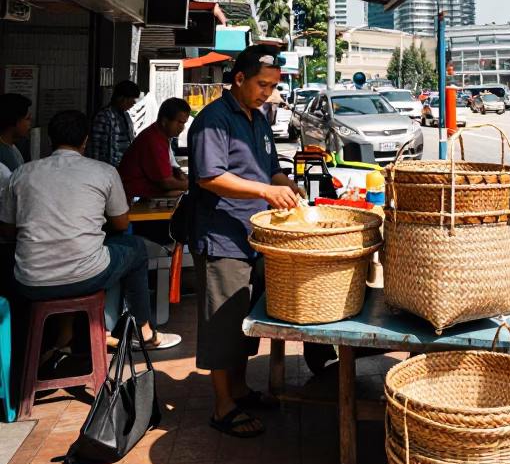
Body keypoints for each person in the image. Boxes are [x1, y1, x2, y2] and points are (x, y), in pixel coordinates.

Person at [0, 109, 180, 360]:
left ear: (50, 140)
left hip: (30, 282)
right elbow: (120, 223)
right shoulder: (104, 172)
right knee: (134, 248)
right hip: (86, 277)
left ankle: (66, 336)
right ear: (85, 140)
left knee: (78, 254)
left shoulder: (22, 174)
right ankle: (144, 332)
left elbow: (8, 230)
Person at [188, 46, 301, 438]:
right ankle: (222, 407)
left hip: (254, 237)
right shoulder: (213, 120)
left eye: (272, 86)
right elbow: (209, 177)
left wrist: (287, 186)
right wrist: (265, 192)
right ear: (239, 79)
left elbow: (269, 170)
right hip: (222, 236)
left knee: (243, 320)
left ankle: (239, 390)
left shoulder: (259, 118)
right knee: (221, 324)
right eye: (262, 85)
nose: (267, 92)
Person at [119, 98, 191, 200]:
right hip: (133, 197)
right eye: (179, 122)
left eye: (183, 123)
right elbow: (166, 182)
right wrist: (190, 185)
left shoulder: (160, 137)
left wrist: (181, 176)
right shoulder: (153, 140)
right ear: (164, 121)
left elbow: (171, 169)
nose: (182, 128)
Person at [88, 80, 141, 167]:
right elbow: (97, 148)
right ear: (122, 98)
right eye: (132, 99)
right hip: (108, 168)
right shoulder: (104, 116)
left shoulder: (126, 115)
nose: (134, 103)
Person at [0, 93, 31, 172]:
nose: (29, 124)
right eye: (27, 119)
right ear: (15, 121)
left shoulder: (20, 145)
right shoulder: (2, 154)